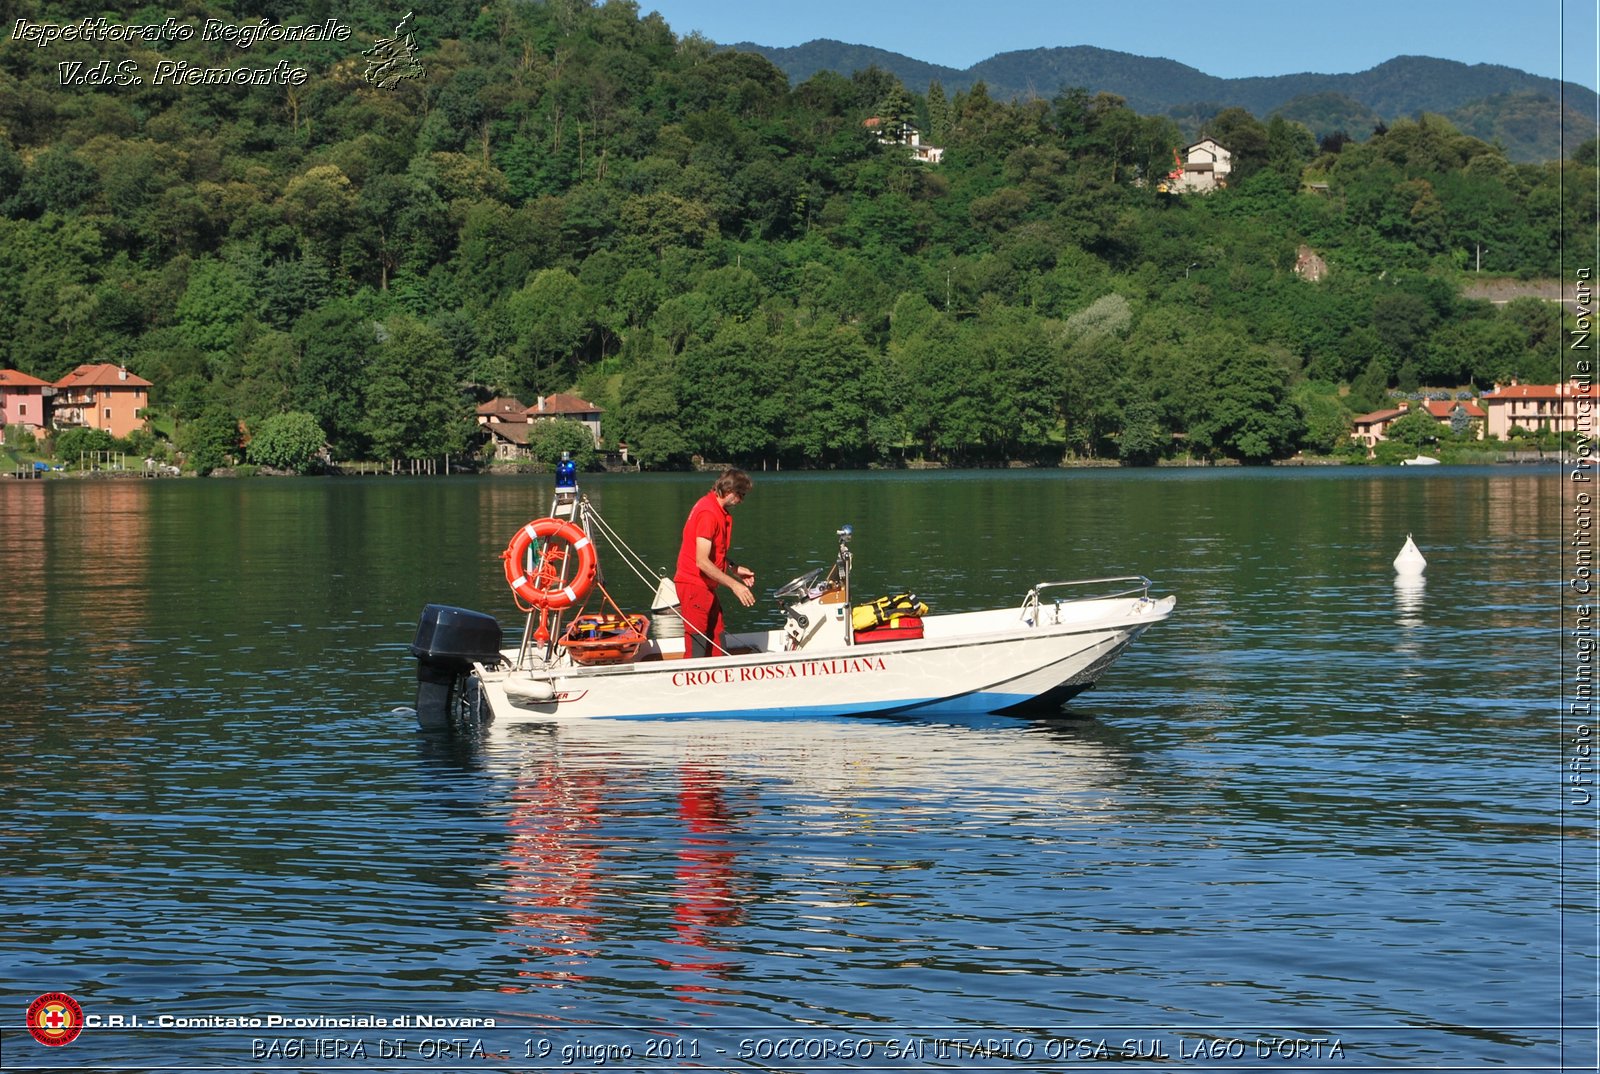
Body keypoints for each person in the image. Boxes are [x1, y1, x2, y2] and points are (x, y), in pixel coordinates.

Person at [673, 469, 756, 658]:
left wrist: (734, 568)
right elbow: (702, 561)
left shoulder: (715, 509)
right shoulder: (708, 513)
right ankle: (691, 681)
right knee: (698, 642)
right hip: (694, 585)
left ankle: (720, 680)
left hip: (705, 586)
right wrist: (735, 586)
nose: (741, 501)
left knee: (717, 636)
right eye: (740, 495)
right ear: (729, 490)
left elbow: (714, 553)